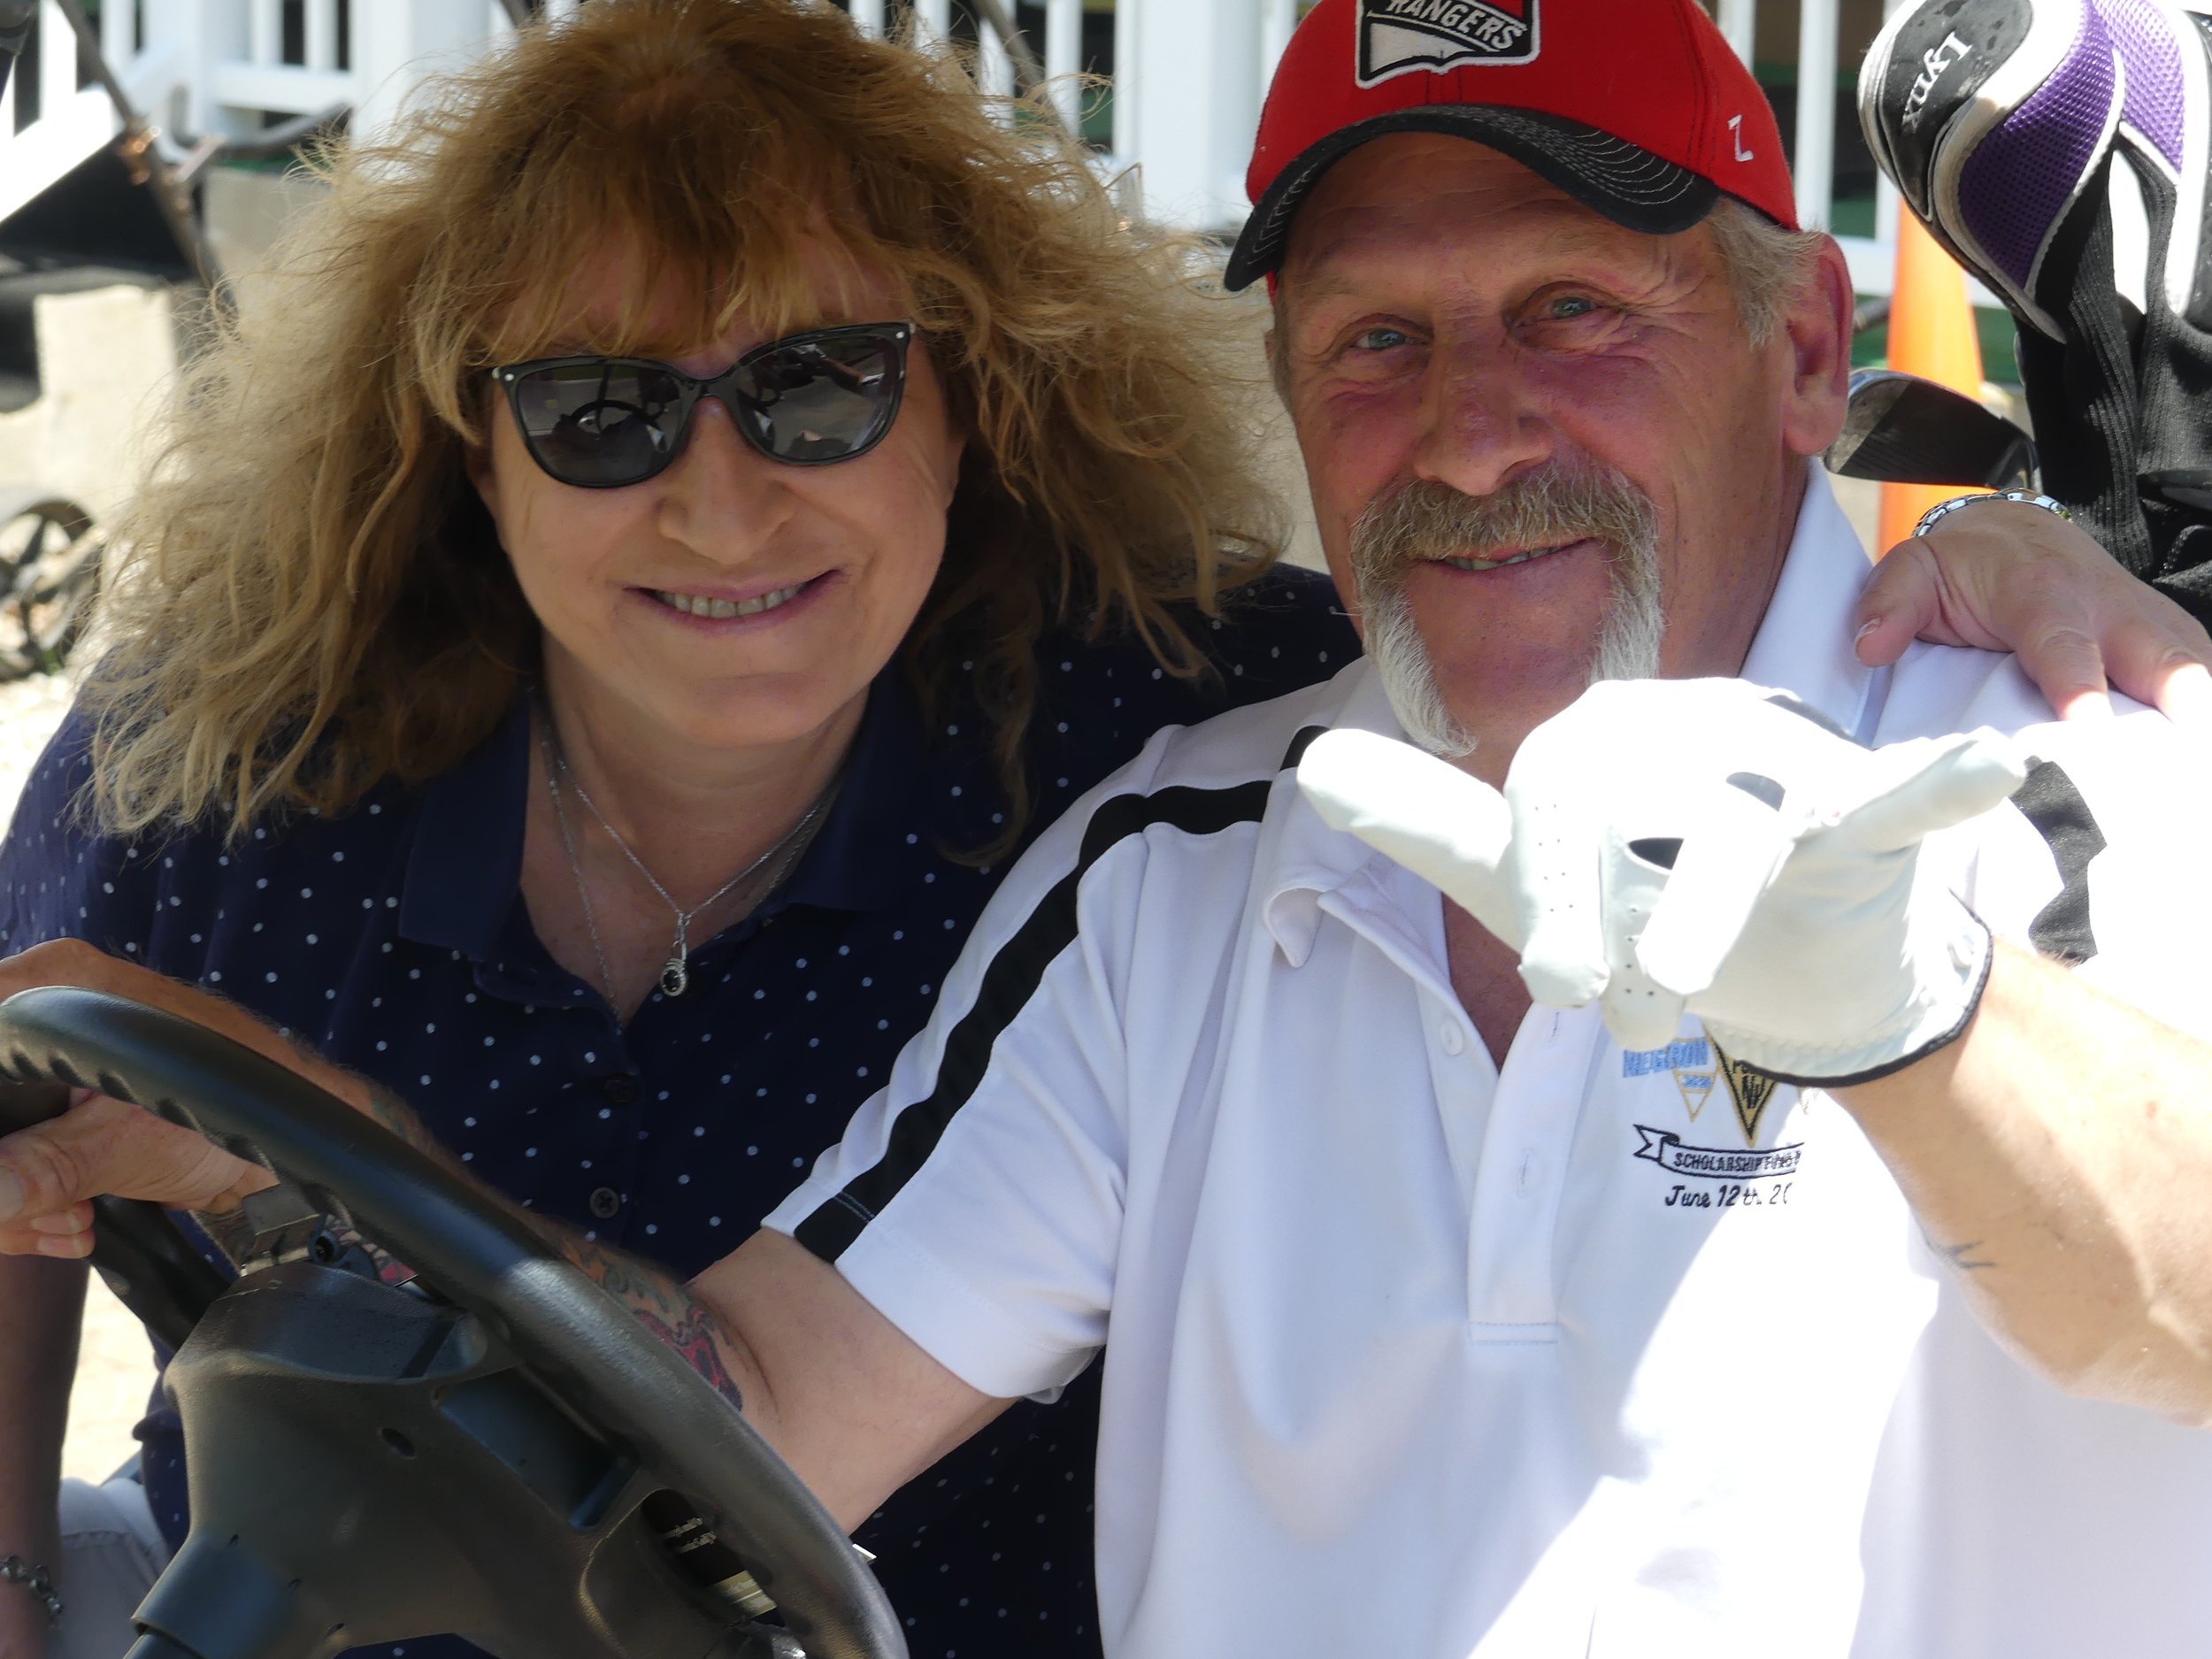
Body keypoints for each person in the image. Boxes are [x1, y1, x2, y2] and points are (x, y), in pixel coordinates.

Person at [4, 4, 2212, 1659]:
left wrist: (1919, 1014)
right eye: (1370, 340)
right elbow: (734, 1419)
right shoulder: (1185, 843)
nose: (1468, 431)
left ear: (1806, 347)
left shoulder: (2077, 743)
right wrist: (304, 1156)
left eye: (1570, 311)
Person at [0, 4, 1367, 1656]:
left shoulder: (1205, 732)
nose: (722, 510)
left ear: (973, 399)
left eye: (820, 387)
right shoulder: (210, 763)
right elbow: (23, 1132)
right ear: (473, 455)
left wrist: (314, 1149)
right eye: (600, 411)